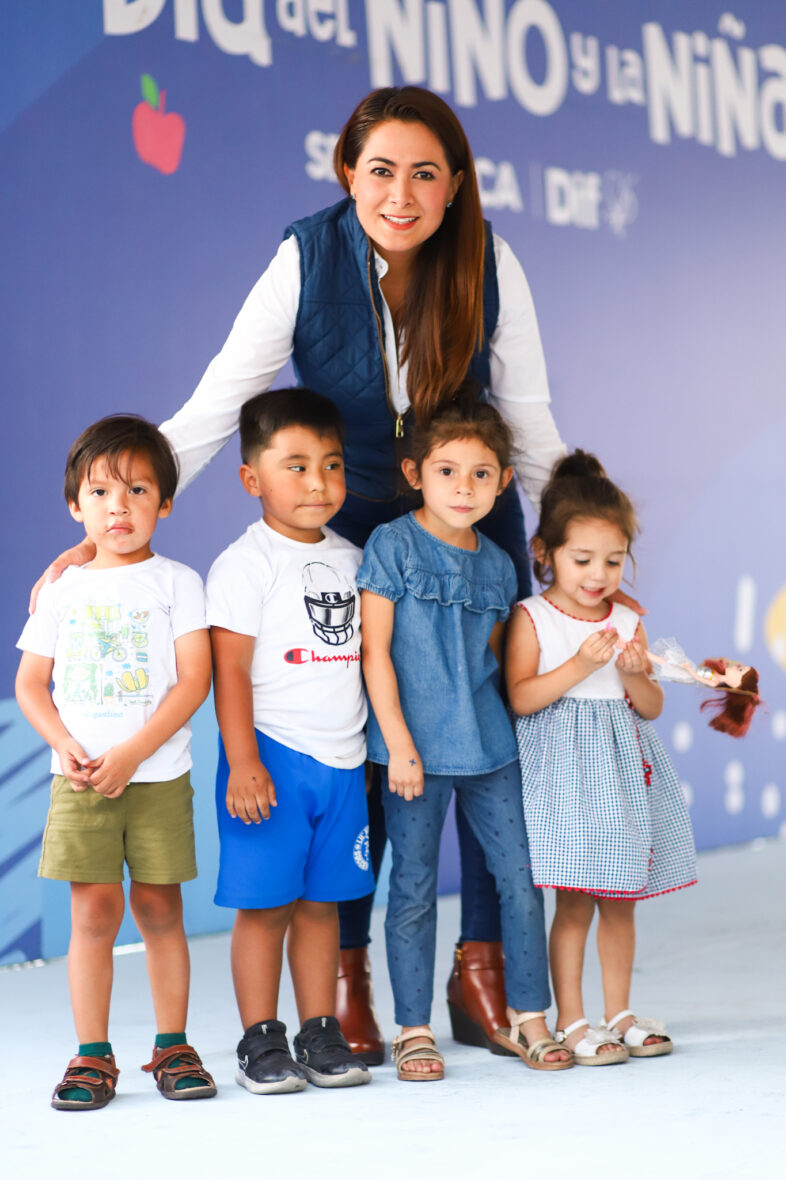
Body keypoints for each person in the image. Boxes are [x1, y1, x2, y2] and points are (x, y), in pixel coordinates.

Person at [31, 86, 568, 1059]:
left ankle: (484, 970)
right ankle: (349, 982)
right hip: (352, 516)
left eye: (424, 174)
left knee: (491, 737)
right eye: (379, 171)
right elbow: (218, 400)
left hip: (472, 518)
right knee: (362, 739)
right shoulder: (305, 257)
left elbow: (528, 419)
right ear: (346, 175)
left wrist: (575, 552)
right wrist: (124, 517)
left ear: (455, 187)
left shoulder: (493, 263)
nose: (400, 194)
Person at [358, 396, 572, 1078]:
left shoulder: (498, 566)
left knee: (519, 882)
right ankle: (413, 1028)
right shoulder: (391, 545)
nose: (464, 487)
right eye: (448, 471)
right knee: (414, 887)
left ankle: (531, 1017)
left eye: (482, 475)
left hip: (490, 749)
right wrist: (398, 742)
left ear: (504, 482)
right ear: (415, 472)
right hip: (412, 755)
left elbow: (494, 660)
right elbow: (375, 654)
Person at [15, 416, 216, 1110]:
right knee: (94, 915)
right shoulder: (62, 588)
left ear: (164, 503)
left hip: (156, 777)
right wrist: (65, 745)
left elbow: (194, 681)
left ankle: (172, 1045)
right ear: (75, 505)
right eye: (100, 493)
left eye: (137, 489)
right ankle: (92, 1054)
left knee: (160, 908)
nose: (118, 507)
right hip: (80, 783)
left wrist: (132, 754)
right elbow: (29, 686)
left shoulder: (178, 582)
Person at [505, 451, 697, 1065]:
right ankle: (574, 1020)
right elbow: (522, 699)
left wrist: (635, 673)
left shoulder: (626, 618)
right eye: (582, 559)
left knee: (622, 898)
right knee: (575, 900)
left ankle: (620, 1013)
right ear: (545, 552)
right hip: (566, 775)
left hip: (622, 773)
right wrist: (581, 665)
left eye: (613, 561)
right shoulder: (532, 617)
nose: (598, 574)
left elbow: (650, 707)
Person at [206, 388, 372, 1093]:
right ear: (252, 479)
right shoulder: (245, 563)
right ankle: (260, 1040)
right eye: (296, 466)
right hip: (270, 757)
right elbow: (231, 668)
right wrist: (243, 760)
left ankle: (319, 1030)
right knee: (266, 904)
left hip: (343, 763)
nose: (318, 483)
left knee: (321, 905)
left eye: (331, 466)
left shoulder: (357, 558)